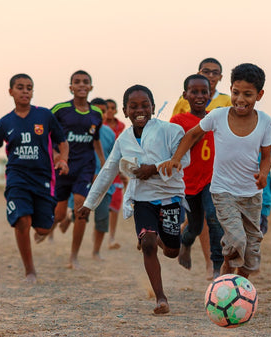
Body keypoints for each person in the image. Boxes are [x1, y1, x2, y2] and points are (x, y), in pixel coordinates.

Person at [79, 85, 190, 314]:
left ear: (153, 107)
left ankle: (158, 237)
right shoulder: (123, 139)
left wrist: (155, 168)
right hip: (142, 199)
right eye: (134, 106)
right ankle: (161, 298)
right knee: (148, 245)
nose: (140, 110)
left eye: (145, 105)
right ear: (125, 110)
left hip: (170, 197)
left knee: (171, 251)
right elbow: (108, 171)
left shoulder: (171, 130)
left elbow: (183, 161)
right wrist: (89, 204)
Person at [159, 63, 271, 279]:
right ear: (230, 89)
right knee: (235, 238)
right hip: (223, 191)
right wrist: (176, 159)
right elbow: (191, 135)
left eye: (247, 94)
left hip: (251, 195)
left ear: (259, 95)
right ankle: (223, 276)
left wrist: (264, 174)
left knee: (251, 252)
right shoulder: (218, 116)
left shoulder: (266, 122)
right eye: (236, 92)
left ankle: (235, 283)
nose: (240, 99)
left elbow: (266, 157)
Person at [0, 73, 69, 283]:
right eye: (20, 87)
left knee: (43, 228)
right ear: (11, 92)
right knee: (21, 221)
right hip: (17, 177)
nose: (25, 91)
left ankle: (41, 218)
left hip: (43, 177)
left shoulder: (44, 116)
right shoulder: (5, 122)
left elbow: (62, 142)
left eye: (29, 87)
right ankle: (30, 271)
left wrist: (63, 160)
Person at [171, 57, 232, 278]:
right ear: (185, 95)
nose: (199, 96)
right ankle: (185, 243)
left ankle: (217, 268)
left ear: (210, 95)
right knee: (195, 226)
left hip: (212, 178)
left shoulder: (217, 117)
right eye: (194, 92)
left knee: (214, 217)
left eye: (203, 92)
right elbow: (173, 147)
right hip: (188, 181)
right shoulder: (179, 120)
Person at [47, 70, 106, 270]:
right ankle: (47, 228)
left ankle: (74, 256)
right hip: (63, 167)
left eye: (85, 82)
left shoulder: (97, 113)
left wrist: (103, 161)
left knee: (81, 208)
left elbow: (95, 139)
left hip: (85, 167)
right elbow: (44, 130)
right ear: (71, 87)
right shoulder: (60, 109)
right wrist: (55, 155)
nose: (81, 85)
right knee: (60, 214)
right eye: (77, 82)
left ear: (91, 87)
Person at [89, 98, 116, 260]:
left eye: (102, 111)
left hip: (104, 183)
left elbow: (114, 158)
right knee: (74, 215)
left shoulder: (110, 134)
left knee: (102, 218)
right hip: (82, 180)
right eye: (96, 111)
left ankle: (96, 251)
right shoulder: (80, 130)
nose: (99, 115)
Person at [103, 98, 127, 250]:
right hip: (99, 168)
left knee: (115, 203)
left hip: (116, 169)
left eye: (113, 108)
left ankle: (111, 237)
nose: (110, 111)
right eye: (107, 109)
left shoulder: (121, 126)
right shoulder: (99, 127)